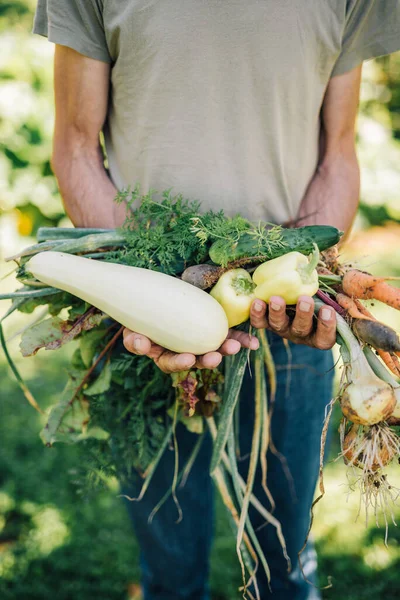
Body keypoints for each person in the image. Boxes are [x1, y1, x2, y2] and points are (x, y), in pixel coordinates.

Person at [33, 2, 400, 598]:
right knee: (171, 573)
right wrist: (142, 291)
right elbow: (76, 146)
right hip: (144, 315)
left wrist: (308, 278)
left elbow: (337, 152)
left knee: (282, 563)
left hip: (290, 320)